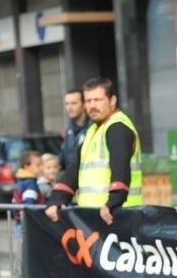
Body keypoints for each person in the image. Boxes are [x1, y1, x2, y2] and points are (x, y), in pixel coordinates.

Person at [45, 77, 142, 225]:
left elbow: (120, 169)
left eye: (98, 100)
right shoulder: (93, 130)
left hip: (117, 217)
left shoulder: (117, 127)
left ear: (113, 100)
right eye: (88, 101)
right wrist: (57, 198)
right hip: (93, 217)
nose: (92, 106)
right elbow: (75, 170)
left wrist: (113, 203)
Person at [57, 89, 90, 170]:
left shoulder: (93, 126)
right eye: (67, 104)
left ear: (84, 104)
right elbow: (64, 156)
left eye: (74, 103)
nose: (69, 107)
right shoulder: (69, 129)